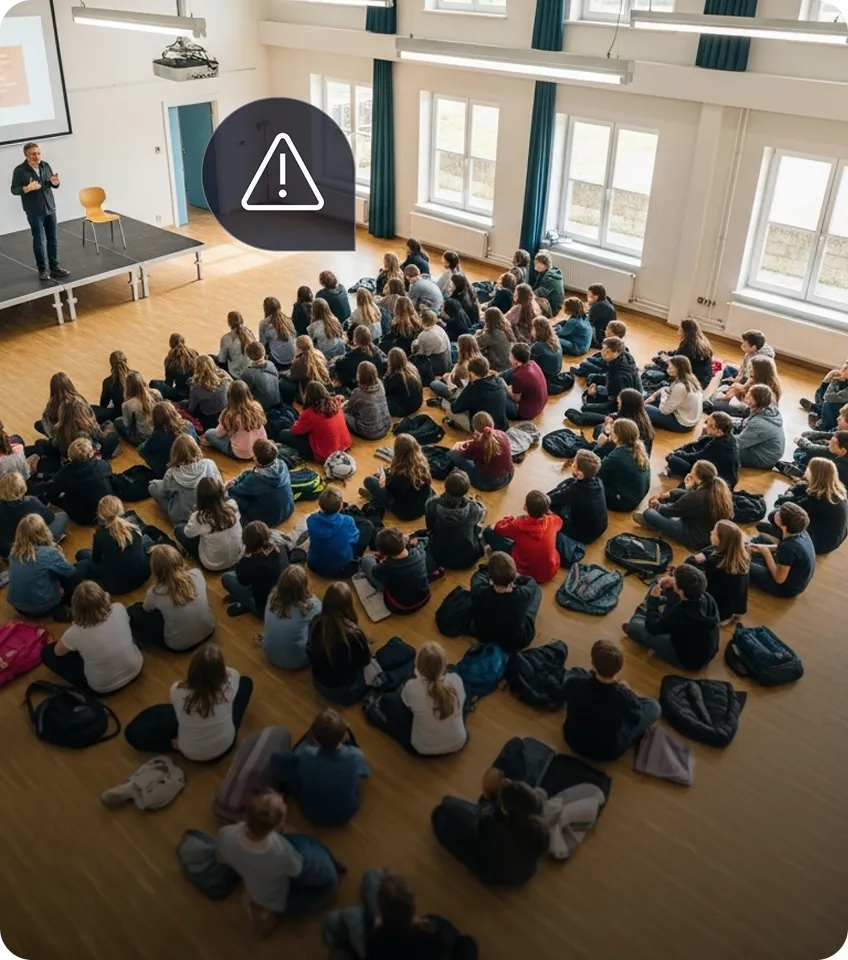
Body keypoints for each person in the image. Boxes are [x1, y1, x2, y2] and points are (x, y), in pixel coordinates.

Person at [125, 643, 253, 760]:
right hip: (226, 745)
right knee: (246, 682)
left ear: (192, 671)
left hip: (190, 753)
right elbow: (230, 673)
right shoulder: (232, 682)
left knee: (151, 720)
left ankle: (171, 744)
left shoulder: (177, 691)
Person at [323, 868, 478, 960]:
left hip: (381, 943)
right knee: (372, 877)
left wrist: (377, 925)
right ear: (413, 907)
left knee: (333, 921)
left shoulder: (377, 937)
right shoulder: (433, 936)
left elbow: (375, 952)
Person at [431, 772, 549, 887]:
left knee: (439, 813)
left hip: (491, 874)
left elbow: (449, 802)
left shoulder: (490, 825)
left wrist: (487, 803)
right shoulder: (542, 831)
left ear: (507, 811)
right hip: (524, 876)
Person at [217, 790, 304, 940]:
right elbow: (296, 869)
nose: (283, 798)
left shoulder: (227, 833)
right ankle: (264, 919)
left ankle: (253, 902)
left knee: (253, 889)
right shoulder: (281, 851)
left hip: (248, 876)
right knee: (272, 907)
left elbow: (222, 854)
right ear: (278, 824)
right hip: (270, 892)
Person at [562, 640, 661, 762]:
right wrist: (630, 693)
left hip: (573, 740)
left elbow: (567, 692)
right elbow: (635, 719)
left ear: (593, 663)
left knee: (575, 671)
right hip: (607, 752)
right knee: (654, 707)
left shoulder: (574, 684)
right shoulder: (625, 698)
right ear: (619, 668)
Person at [271, 708, 370, 826]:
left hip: (312, 812)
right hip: (347, 811)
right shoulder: (355, 755)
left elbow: (293, 758)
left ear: (316, 740)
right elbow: (365, 772)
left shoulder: (306, 754)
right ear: (344, 734)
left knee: (288, 763)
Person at [40, 582, 142, 696]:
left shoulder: (75, 632)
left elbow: (57, 652)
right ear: (104, 597)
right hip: (136, 668)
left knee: (47, 652)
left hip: (103, 688)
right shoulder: (119, 608)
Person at [370, 642, 467, 756]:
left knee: (389, 700)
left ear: (417, 667)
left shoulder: (412, 686)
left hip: (423, 749)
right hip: (458, 742)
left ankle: (373, 712)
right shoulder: (456, 680)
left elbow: (404, 704)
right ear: (443, 665)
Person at [624, 564, 720, 671]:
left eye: (675, 579)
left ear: (681, 590)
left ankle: (645, 613)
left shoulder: (681, 614)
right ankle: (649, 612)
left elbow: (653, 628)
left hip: (688, 660)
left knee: (634, 625)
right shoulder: (707, 597)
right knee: (659, 585)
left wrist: (653, 600)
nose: (672, 579)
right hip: (703, 649)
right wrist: (672, 583)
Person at [127, 544, 215, 652]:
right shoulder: (196, 573)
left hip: (178, 645)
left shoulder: (155, 592)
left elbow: (146, 610)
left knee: (134, 611)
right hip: (209, 629)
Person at [636, 460, 733, 551]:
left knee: (648, 513)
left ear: (699, 479)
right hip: (710, 535)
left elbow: (669, 511)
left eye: (692, 472)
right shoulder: (717, 490)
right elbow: (687, 498)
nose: (689, 474)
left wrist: (657, 505)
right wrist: (667, 495)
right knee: (669, 503)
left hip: (694, 538)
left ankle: (656, 524)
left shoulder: (695, 497)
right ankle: (660, 523)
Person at [760, 459, 848, 555]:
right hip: (836, 538)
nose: (806, 470)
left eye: (809, 469)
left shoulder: (816, 498)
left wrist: (786, 496)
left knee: (771, 517)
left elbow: (784, 506)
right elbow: (801, 488)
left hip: (818, 544)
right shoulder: (834, 490)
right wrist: (792, 494)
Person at [10, 141, 69, 280]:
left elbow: (49, 184)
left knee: (53, 239)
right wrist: (27, 188)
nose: (36, 156)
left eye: (38, 153)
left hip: (50, 208)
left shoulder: (45, 165)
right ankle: (43, 270)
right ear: (26, 156)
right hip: (34, 211)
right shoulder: (19, 171)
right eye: (33, 154)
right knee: (39, 240)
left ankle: (55, 267)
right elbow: (14, 190)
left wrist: (55, 183)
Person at [307, 581, 372, 704]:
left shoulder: (315, 623)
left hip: (318, 683)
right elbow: (365, 661)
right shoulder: (355, 635)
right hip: (346, 693)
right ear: (349, 605)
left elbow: (309, 650)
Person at [7, 513, 80, 622]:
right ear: (43, 531)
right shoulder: (48, 553)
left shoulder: (13, 553)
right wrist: (61, 555)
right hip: (42, 607)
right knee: (70, 573)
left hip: (17, 606)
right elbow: (70, 572)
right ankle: (64, 604)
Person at [74, 496, 151, 595]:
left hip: (117, 586)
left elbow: (96, 559)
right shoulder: (133, 527)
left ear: (100, 514)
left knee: (81, 554)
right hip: (143, 575)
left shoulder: (100, 535)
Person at [484, 490, 563, 584]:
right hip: (550, 570)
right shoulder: (552, 521)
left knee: (488, 532)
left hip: (526, 571)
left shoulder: (518, 525)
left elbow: (499, 528)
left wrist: (509, 518)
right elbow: (559, 521)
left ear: (525, 507)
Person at [469, 552, 542, 652]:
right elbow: (531, 582)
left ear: (491, 578)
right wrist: (518, 577)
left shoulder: (480, 592)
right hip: (517, 641)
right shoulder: (523, 594)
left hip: (484, 636)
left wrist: (486, 568)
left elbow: (478, 577)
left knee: (477, 578)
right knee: (536, 590)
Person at [684, 519, 750, 625]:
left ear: (720, 539)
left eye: (714, 532)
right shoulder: (742, 557)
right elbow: (710, 550)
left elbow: (689, 565)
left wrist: (695, 558)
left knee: (685, 580)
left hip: (715, 613)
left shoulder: (715, 563)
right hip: (733, 609)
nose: (710, 532)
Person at [37, 437, 113, 525]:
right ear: (91, 452)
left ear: (70, 457)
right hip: (107, 508)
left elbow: (52, 489)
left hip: (83, 517)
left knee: (53, 493)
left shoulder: (66, 473)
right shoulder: (103, 464)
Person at [149, 433, 222, 524]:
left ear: (174, 453)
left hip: (184, 516)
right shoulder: (209, 463)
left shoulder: (172, 473)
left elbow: (165, 492)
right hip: (210, 509)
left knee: (153, 486)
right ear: (196, 448)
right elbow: (219, 483)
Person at [260, 564, 322, 670]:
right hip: (298, 661)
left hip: (269, 653)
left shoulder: (271, 598)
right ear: (304, 587)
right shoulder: (313, 606)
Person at [748, 502, 816, 598]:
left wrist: (766, 552)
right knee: (761, 538)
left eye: (779, 514)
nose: (777, 512)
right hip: (793, 573)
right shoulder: (800, 531)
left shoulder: (787, 546)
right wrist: (762, 547)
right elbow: (785, 549)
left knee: (744, 566)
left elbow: (779, 579)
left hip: (785, 588)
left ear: (784, 527)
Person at [175, 477, 243, 572]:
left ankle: (191, 556)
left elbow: (188, 533)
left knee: (179, 529)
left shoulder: (199, 518)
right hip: (239, 556)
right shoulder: (232, 505)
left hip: (214, 565)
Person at [221, 520, 287, 617]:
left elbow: (242, 580)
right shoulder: (280, 548)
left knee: (226, 578)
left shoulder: (250, 563)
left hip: (265, 609)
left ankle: (246, 603)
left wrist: (245, 558)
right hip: (282, 597)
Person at [360, 527, 432, 615]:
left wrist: (382, 562)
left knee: (366, 559)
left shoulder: (387, 566)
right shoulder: (419, 551)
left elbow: (376, 574)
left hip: (400, 607)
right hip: (425, 597)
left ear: (383, 553)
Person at [360, 434, 433, 521]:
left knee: (369, 481)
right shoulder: (423, 464)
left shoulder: (399, 478)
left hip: (405, 513)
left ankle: (375, 497)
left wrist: (384, 480)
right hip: (424, 505)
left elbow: (391, 490)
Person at [425, 470, 485, 571]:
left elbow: (429, 527)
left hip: (440, 557)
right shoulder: (474, 508)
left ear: (446, 486)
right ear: (466, 490)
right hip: (468, 558)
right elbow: (476, 525)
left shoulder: (432, 504)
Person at [276, 381, 351, 463]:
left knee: (284, 434)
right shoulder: (335, 404)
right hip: (344, 444)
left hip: (325, 453)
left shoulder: (310, 413)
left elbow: (296, 430)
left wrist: (298, 421)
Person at [307, 486, 373, 578]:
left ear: (320, 504)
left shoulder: (311, 520)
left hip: (313, 565)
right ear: (341, 506)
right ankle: (355, 558)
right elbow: (355, 539)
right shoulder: (348, 521)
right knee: (368, 526)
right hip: (340, 570)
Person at [227, 437, 294, 527]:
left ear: (255, 457)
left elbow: (235, 490)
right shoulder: (282, 464)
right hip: (288, 509)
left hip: (267, 520)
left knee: (232, 497)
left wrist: (232, 483)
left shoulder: (256, 478)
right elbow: (251, 472)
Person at [0, 472, 68, 559]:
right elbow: (50, 518)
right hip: (27, 551)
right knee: (63, 516)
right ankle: (50, 543)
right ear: (22, 487)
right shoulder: (31, 501)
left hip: (7, 552)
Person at [547, 449, 608, 545]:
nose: (572, 465)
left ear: (580, 475)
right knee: (569, 484)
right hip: (600, 527)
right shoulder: (598, 481)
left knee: (549, 509)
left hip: (582, 536)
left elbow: (549, 499)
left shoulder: (575, 491)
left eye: (574, 466)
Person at [665, 411, 739, 489]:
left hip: (720, 483)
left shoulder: (719, 446)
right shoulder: (729, 437)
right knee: (701, 441)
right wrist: (681, 450)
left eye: (710, 425)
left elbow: (696, 457)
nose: (706, 426)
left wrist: (678, 453)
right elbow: (697, 444)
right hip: (722, 474)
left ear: (719, 431)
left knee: (672, 459)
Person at [447, 411, 514, 492]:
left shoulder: (477, 445)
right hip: (509, 476)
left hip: (488, 483)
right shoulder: (502, 434)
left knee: (451, 454)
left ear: (474, 428)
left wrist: (459, 445)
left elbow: (464, 454)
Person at [578, 336, 641, 419]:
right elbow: (609, 376)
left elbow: (616, 402)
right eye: (603, 349)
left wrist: (593, 396)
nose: (602, 353)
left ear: (617, 353)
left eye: (607, 351)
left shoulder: (620, 377)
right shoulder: (625, 356)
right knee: (592, 378)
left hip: (625, 402)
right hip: (618, 387)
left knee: (585, 408)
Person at [205, 379, 267, 460]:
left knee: (209, 433)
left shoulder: (228, 413)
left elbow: (219, 434)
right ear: (248, 393)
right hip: (260, 449)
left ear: (229, 396)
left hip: (240, 453)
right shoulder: (257, 406)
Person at [597, 419, 651, 512]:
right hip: (636, 495)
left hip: (625, 502)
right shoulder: (638, 447)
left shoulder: (618, 456)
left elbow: (595, 471)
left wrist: (600, 446)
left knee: (588, 483)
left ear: (617, 436)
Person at [137, 400, 196, 480]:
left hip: (171, 467)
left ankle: (159, 472)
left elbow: (147, 448)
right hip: (191, 461)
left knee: (141, 448)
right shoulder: (188, 424)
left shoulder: (159, 435)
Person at [449, 357, 509, 432]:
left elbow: (455, 409)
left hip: (482, 429)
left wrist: (452, 396)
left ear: (471, 374)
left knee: (448, 407)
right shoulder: (499, 381)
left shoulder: (472, 389)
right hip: (502, 426)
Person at [645, 355, 703, 433]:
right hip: (689, 417)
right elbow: (668, 390)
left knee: (643, 408)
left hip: (682, 424)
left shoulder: (680, 387)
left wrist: (661, 394)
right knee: (653, 398)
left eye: (670, 367)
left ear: (678, 369)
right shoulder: (691, 378)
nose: (667, 369)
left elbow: (664, 410)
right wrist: (655, 395)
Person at [709, 355, 781, 418]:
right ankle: (723, 389)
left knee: (710, 406)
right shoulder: (755, 378)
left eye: (751, 368)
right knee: (728, 369)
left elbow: (750, 406)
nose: (749, 370)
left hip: (749, 411)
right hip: (744, 399)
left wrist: (736, 395)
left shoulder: (764, 391)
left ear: (759, 372)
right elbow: (743, 388)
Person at [652, 318, 714, 389]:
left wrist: (658, 360)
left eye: (679, 329)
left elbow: (674, 365)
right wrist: (668, 353)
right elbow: (677, 353)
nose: (678, 331)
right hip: (705, 378)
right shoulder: (700, 342)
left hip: (696, 383)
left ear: (684, 332)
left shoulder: (687, 347)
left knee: (660, 369)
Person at [736, 384, 785, 469]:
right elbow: (745, 423)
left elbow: (738, 443)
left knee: (725, 449)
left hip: (763, 458)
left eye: (750, 395)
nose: (747, 395)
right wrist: (727, 422)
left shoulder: (759, 423)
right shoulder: (767, 408)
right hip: (767, 450)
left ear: (756, 400)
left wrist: (718, 434)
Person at [343, 361, 392, 440]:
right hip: (387, 427)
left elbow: (346, 409)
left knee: (343, 414)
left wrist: (343, 403)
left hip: (370, 433)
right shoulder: (380, 384)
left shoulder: (358, 393)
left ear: (359, 375)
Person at [113, 372, 162, 446]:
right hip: (157, 431)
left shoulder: (127, 404)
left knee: (117, 421)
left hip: (142, 437)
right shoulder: (156, 392)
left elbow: (127, 424)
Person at [280, 335, 332, 403]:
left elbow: (293, 377)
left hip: (308, 396)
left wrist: (281, 373)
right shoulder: (319, 354)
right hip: (322, 391)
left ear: (299, 349)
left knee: (282, 382)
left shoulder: (300, 362)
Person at [186, 355, 231, 431]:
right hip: (228, 408)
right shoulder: (224, 375)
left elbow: (191, 408)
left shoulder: (196, 387)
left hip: (209, 415)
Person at [503, 343, 547, 420]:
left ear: (516, 362)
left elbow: (516, 398)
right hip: (540, 404)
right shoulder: (532, 363)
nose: (508, 357)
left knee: (500, 399)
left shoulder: (518, 376)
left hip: (527, 412)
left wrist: (504, 385)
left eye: (511, 356)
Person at [150, 332, 198, 401]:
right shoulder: (194, 353)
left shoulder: (170, 361)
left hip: (181, 394)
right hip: (194, 389)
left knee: (154, 383)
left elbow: (169, 383)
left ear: (170, 345)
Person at [240, 341, 281, 412]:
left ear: (248, 357)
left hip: (262, 408)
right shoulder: (271, 364)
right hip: (277, 400)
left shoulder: (248, 373)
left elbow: (244, 393)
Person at [259, 296, 297, 370]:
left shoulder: (264, 324)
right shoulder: (288, 320)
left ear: (265, 309)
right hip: (293, 356)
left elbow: (262, 345)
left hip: (278, 360)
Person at [383, 347, 423, 417]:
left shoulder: (392, 377)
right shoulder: (412, 368)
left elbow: (386, 392)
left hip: (404, 410)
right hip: (418, 403)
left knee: (380, 399)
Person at [411, 309, 451, 377]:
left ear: (422, 320)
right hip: (446, 360)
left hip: (436, 366)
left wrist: (414, 345)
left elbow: (420, 354)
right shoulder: (439, 328)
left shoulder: (423, 335)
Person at [217, 310, 256, 379]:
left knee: (213, 357)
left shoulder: (226, 338)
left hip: (235, 373)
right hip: (250, 370)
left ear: (229, 323)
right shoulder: (249, 333)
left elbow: (221, 360)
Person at [476, 307, 515, 373]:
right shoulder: (506, 328)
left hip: (501, 368)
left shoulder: (493, 333)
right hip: (510, 364)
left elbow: (474, 342)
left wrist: (477, 333)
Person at [529, 317, 564, 382]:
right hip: (556, 372)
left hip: (546, 377)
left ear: (538, 330)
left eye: (533, 328)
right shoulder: (555, 339)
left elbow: (527, 362)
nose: (532, 329)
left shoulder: (538, 346)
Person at [531, 252, 564, 316]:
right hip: (551, 302)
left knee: (530, 303)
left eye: (538, 263)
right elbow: (536, 286)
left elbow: (538, 292)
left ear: (544, 264)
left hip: (553, 309)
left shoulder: (549, 278)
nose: (535, 265)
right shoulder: (546, 272)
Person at [99, 350, 130, 415]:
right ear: (126, 361)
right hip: (136, 412)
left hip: (119, 415)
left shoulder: (108, 382)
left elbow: (103, 405)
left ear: (111, 364)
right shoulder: (136, 376)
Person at [587, 283, 616, 347]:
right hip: (609, 332)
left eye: (590, 296)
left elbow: (588, 324)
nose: (588, 298)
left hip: (600, 336)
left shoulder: (597, 306)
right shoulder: (607, 299)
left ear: (596, 296)